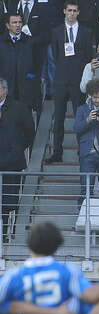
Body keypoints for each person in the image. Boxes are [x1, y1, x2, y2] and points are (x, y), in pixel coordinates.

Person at [46, 1, 94, 164]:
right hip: (60, 79)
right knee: (58, 118)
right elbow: (56, 53)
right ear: (64, 12)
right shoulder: (56, 31)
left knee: (80, 117)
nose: (72, 13)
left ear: (78, 12)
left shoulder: (87, 32)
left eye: (74, 11)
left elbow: (88, 56)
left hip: (78, 80)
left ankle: (83, 151)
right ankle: (57, 153)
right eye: (69, 11)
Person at [0, 78, 35, 235]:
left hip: (12, 164)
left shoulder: (19, 108)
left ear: (5, 90)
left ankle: (6, 234)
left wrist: (17, 149)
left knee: (8, 202)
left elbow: (29, 133)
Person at [0, 13, 41, 110]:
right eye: (14, 22)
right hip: (5, 89)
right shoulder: (1, 42)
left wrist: (29, 77)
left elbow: (37, 66)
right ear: (7, 25)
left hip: (26, 90)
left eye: (20, 22)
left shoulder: (31, 42)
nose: (18, 25)